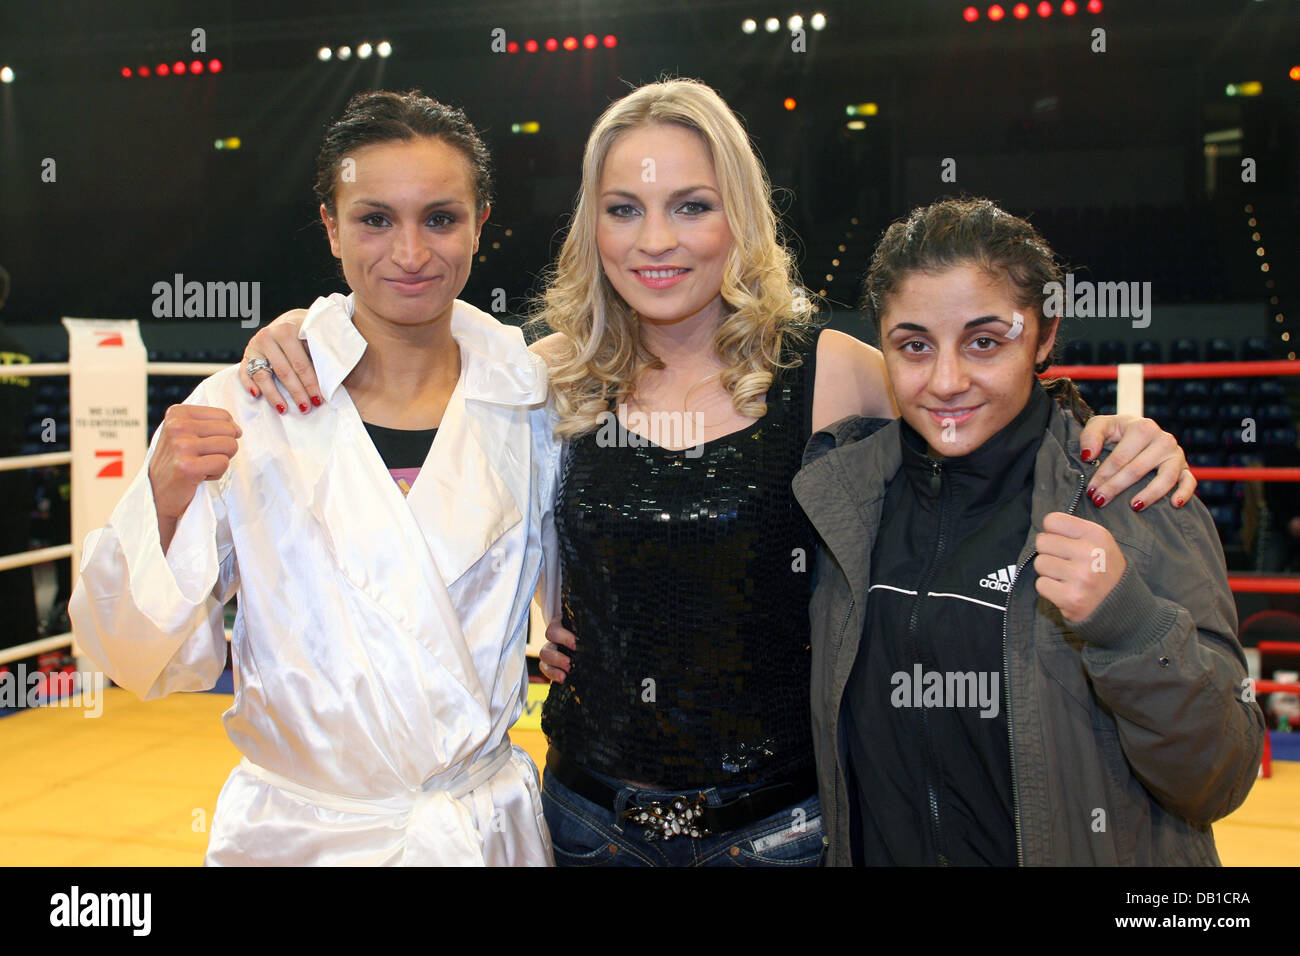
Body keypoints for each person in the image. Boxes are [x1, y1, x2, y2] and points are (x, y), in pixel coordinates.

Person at [239, 80, 1197, 867]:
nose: (656, 241)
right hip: (586, 827)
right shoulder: (547, 374)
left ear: (737, 213)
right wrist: (302, 333)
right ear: (593, 224)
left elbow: (972, 412)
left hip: (781, 831)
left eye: (690, 206)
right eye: (625, 209)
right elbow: (412, 353)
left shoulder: (829, 374)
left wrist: (1103, 430)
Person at [69, 90, 559, 866]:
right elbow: (133, 656)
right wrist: (162, 501)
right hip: (301, 837)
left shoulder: (531, 399)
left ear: (481, 222)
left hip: (475, 828)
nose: (409, 253)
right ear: (331, 228)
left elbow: (581, 594)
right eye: (374, 219)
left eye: (440, 217)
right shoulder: (245, 404)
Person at [793, 198, 1264, 866]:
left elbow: (1219, 774)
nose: (947, 381)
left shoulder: (1130, 491)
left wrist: (1131, 626)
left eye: (986, 341)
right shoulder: (843, 496)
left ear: (1044, 337)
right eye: (915, 346)